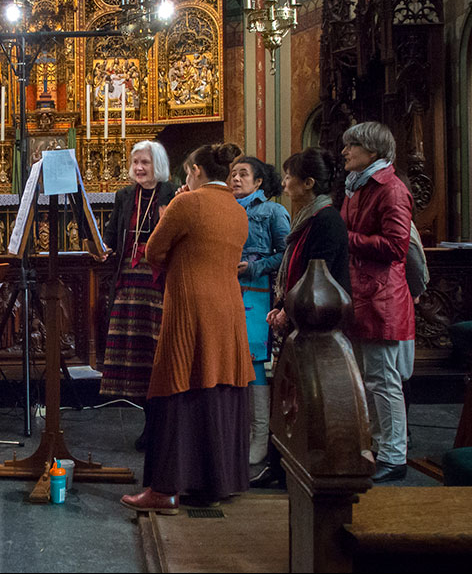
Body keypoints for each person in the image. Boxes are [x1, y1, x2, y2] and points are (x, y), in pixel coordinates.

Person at [121, 143, 253, 514]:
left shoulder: (187, 203)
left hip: (191, 306)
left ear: (195, 171)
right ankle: (216, 483)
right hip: (228, 307)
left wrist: (171, 212)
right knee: (219, 384)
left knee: (178, 384)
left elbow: (153, 251)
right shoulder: (236, 208)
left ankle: (165, 490)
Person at [258, 147, 350, 490]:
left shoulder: (326, 220)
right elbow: (294, 266)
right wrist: (282, 302)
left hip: (316, 322)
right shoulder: (309, 216)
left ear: (308, 183)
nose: (284, 181)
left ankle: (291, 467)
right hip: (299, 316)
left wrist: (287, 307)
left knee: (301, 398)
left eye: (289, 176)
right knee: (288, 394)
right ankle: (280, 465)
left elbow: (319, 275)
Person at [340, 122, 415, 484]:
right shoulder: (357, 188)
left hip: (382, 295)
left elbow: (396, 247)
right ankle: (376, 447)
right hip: (362, 292)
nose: (344, 151)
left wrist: (347, 238)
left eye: (351, 145)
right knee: (368, 380)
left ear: (372, 151)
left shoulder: (391, 190)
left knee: (384, 380)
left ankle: (395, 455)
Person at [98, 140, 178, 449]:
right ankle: (149, 422)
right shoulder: (124, 195)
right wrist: (104, 246)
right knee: (135, 357)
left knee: (156, 353)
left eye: (144, 162)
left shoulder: (172, 194)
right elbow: (113, 231)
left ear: (157, 163)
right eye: (135, 163)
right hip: (128, 282)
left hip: (157, 282)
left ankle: (162, 424)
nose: (139, 168)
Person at [228, 156, 289, 477]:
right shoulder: (225, 208)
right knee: (233, 358)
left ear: (259, 181)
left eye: (243, 174)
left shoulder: (273, 211)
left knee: (253, 361)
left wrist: (254, 266)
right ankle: (239, 432)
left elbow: (286, 253)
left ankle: (260, 436)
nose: (235, 179)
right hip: (228, 289)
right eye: (232, 174)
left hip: (256, 290)